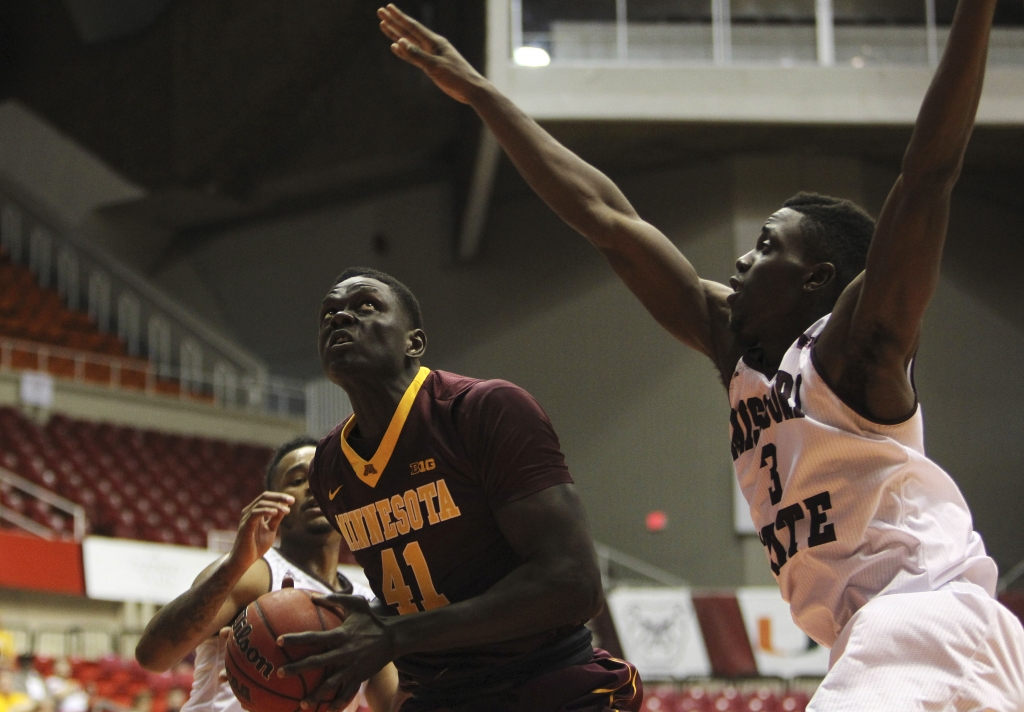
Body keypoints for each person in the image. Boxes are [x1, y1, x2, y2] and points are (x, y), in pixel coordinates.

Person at [376, 2, 1024, 710]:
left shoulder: (858, 351)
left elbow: (927, 177)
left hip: (927, 616)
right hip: (876, 635)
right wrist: (483, 93)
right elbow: (610, 220)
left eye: (770, 246)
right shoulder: (736, 349)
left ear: (819, 282)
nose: (744, 256)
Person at [276, 267, 641, 712]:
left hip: (543, 681)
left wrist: (394, 634)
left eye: (365, 306)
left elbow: (575, 584)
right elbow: (415, 594)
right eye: (328, 314)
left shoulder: (484, 409)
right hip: (437, 696)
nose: (339, 318)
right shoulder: (330, 466)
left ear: (414, 342)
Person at [134, 437, 399, 712]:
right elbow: (153, 656)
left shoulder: (366, 604)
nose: (312, 485)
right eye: (297, 480)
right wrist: (234, 565)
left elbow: (395, 705)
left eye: (324, 475)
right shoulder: (252, 570)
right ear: (274, 500)